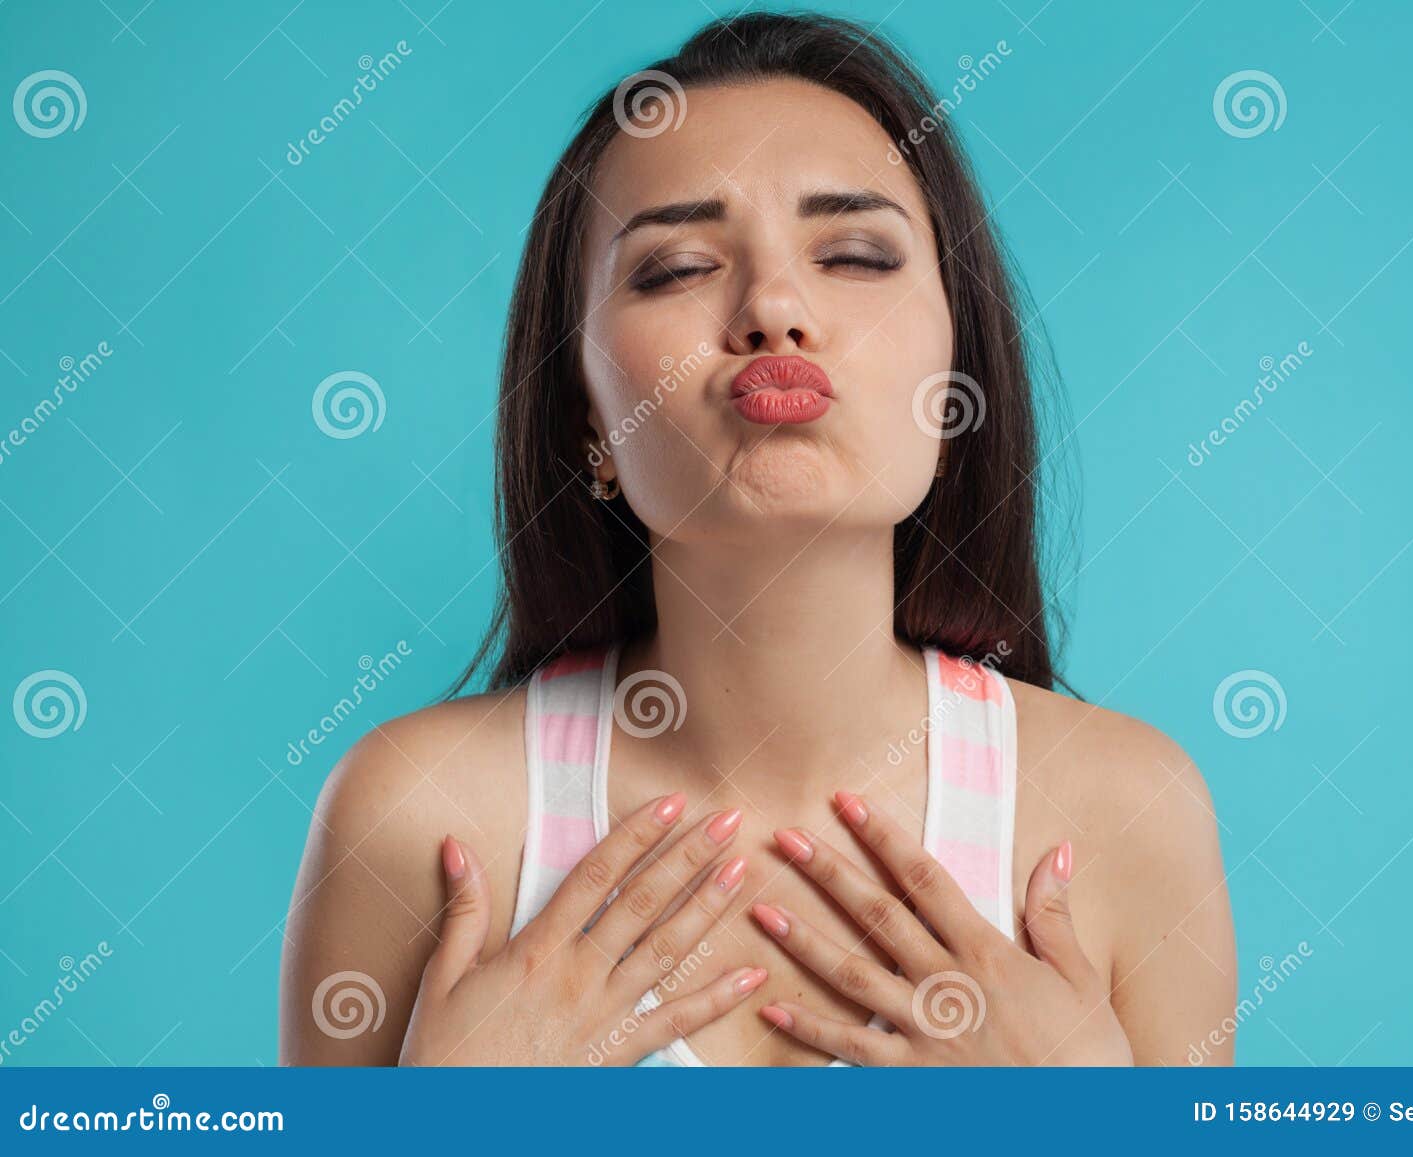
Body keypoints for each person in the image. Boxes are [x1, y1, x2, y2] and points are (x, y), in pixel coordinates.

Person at [279, 11, 1235, 1067]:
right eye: (677, 267)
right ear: (585, 417)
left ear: (957, 375)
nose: (774, 307)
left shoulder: (1127, 812)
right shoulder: (414, 818)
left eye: (857, 255)